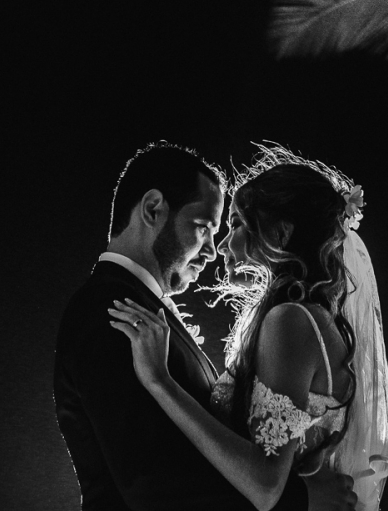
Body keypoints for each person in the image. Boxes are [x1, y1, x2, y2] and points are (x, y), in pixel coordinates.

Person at [55, 141, 358, 511]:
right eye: (204, 227)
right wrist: (298, 500)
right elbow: (149, 479)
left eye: (228, 228)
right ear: (153, 209)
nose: (216, 250)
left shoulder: (145, 308)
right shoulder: (109, 309)